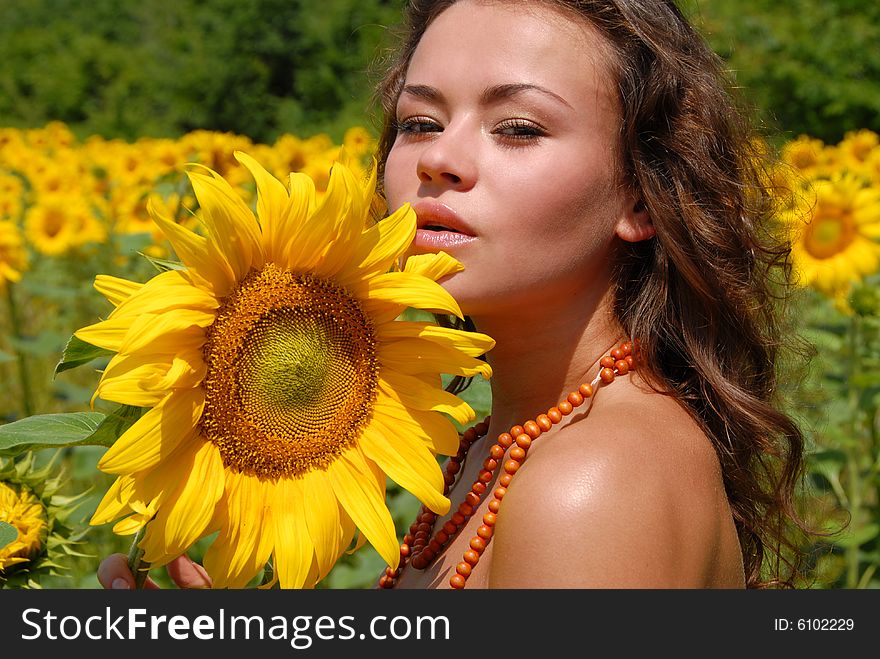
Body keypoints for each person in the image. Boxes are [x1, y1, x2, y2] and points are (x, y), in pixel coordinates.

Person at [98, 0, 808, 590]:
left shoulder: (593, 481)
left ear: (642, 192)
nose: (438, 159)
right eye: (419, 123)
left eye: (518, 129)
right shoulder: (498, 448)